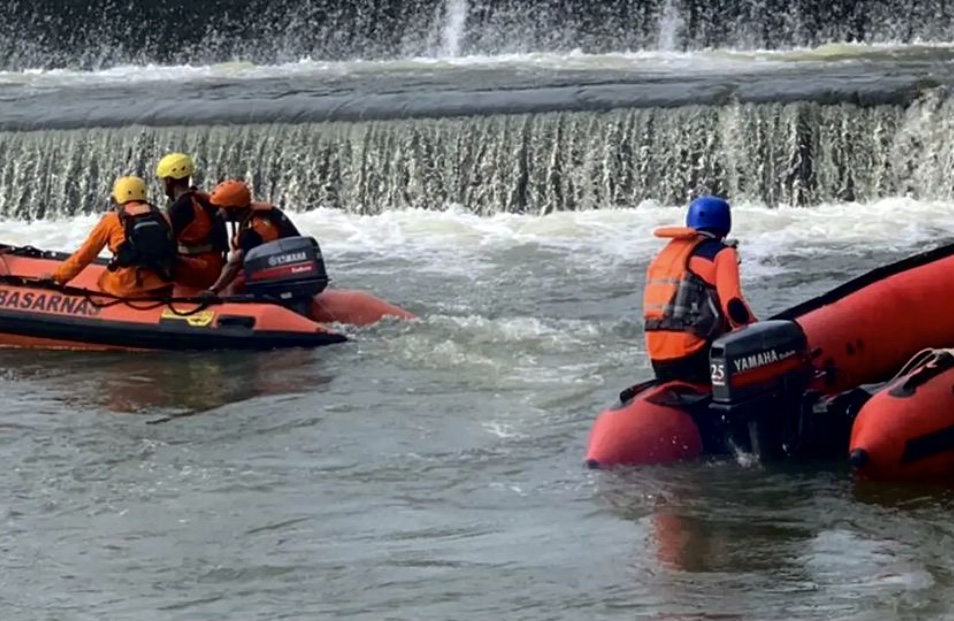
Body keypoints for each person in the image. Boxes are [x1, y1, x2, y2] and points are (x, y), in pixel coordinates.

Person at [642, 195, 758, 385]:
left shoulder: (664, 255)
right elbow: (734, 307)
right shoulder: (722, 253)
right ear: (725, 224)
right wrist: (757, 331)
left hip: (658, 360)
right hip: (694, 358)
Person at [47, 176, 180, 298]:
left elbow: (85, 255)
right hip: (161, 285)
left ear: (119, 197)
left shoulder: (112, 220)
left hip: (127, 288)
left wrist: (58, 278)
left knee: (103, 280)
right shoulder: (163, 217)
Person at [202, 179, 302, 296]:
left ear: (233, 209)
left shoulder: (252, 231)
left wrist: (214, 289)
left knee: (234, 286)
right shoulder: (256, 213)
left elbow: (236, 262)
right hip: (285, 264)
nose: (218, 212)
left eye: (221, 208)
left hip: (282, 272)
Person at [155, 152, 230, 290]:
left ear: (169, 181)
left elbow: (161, 244)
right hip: (217, 265)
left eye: (163, 180)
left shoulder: (180, 208)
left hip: (197, 271)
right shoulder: (204, 199)